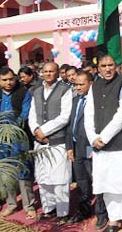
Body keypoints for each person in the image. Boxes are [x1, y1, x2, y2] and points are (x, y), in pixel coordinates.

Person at [85, 55, 122, 232]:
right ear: (98, 68)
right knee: (106, 184)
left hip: (121, 143)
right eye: (103, 66)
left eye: (111, 65)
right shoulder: (95, 86)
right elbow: (88, 113)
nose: (107, 69)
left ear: (117, 66)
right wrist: (92, 137)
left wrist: (104, 137)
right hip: (100, 145)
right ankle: (113, 220)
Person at [0, 67, 36, 219]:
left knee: (23, 171)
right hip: (0, 141)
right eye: (5, 80)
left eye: (11, 79)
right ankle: (11, 204)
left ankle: (29, 206)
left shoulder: (24, 93)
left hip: (19, 139)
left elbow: (25, 114)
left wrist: (12, 130)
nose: (9, 82)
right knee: (5, 171)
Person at [28, 62, 73, 225]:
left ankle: (62, 213)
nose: (48, 74)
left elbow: (64, 116)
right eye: (45, 71)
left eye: (51, 71)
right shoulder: (37, 91)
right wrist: (36, 130)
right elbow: (32, 114)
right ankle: (48, 209)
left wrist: (44, 131)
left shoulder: (65, 90)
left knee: (60, 177)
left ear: (57, 73)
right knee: (43, 177)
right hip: (39, 141)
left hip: (57, 141)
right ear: (41, 73)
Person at [65, 70, 107, 226]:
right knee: (82, 182)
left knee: (96, 180)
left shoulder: (97, 101)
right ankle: (84, 210)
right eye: (76, 84)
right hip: (76, 147)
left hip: (90, 147)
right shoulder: (75, 100)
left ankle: (101, 213)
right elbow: (70, 125)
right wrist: (70, 146)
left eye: (81, 84)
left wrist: (93, 149)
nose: (77, 87)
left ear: (91, 84)